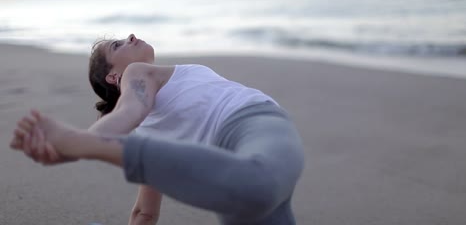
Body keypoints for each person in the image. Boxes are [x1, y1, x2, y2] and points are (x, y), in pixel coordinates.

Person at [10, 34, 305, 225]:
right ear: (115, 76)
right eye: (117, 45)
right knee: (254, 199)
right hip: (229, 171)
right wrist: (83, 143)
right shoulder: (137, 82)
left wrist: (77, 144)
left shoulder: (150, 82)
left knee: (259, 186)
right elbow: (145, 213)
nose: (131, 36)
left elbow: (129, 113)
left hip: (253, 125)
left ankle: (79, 145)